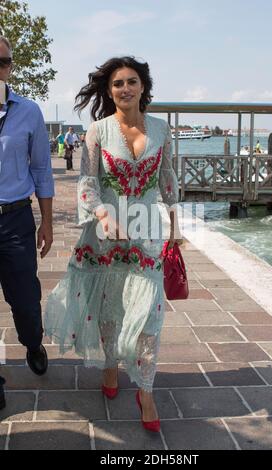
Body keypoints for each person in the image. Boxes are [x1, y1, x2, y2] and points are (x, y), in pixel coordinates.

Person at [44, 56, 182, 432]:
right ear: (109, 91)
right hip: (105, 233)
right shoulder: (97, 132)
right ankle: (109, 364)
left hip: (146, 231)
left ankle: (147, 390)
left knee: (151, 311)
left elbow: (168, 177)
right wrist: (104, 214)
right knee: (108, 302)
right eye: (118, 83)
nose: (125, 89)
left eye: (132, 82)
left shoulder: (161, 129)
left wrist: (175, 223)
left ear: (143, 87)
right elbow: (87, 182)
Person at [0, 36, 54, 408]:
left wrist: (47, 222)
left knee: (25, 299)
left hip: (15, 219)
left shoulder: (29, 111)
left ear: (10, 66)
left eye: (1, 61)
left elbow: (42, 169)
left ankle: (33, 342)